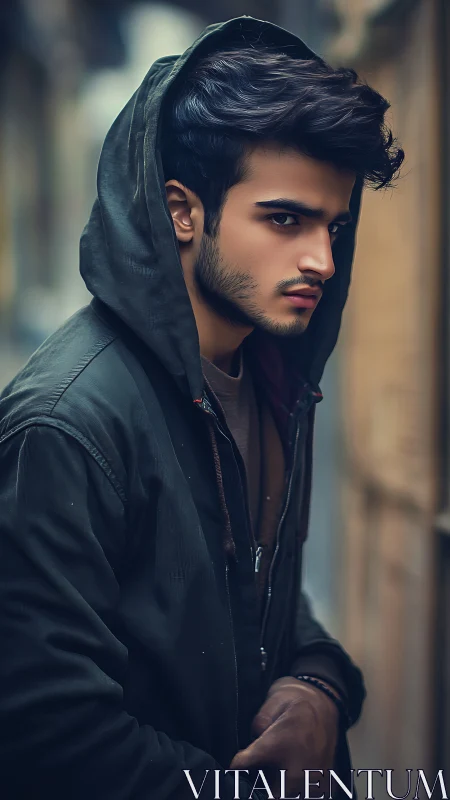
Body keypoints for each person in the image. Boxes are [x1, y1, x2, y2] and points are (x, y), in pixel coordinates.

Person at [0, 16, 403, 800]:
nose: (320, 258)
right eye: (285, 219)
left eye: (335, 226)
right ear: (183, 211)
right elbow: (47, 737)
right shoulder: (66, 425)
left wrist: (321, 688)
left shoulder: (269, 378)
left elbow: (261, 605)